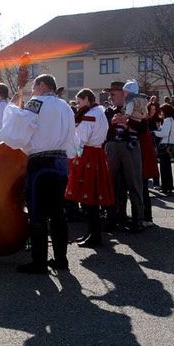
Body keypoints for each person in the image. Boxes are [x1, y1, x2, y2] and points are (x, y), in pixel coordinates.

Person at [0, 73, 77, 274]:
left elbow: (17, 131)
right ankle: (61, 259)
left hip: (41, 164)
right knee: (58, 213)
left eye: (34, 86)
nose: (32, 91)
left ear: (42, 85)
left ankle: (39, 262)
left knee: (38, 214)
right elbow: (72, 139)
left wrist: (12, 108)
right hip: (60, 162)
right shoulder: (66, 107)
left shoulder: (37, 103)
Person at [65, 88, 114, 247]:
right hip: (97, 153)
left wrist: (74, 148)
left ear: (87, 99)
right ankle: (92, 232)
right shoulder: (100, 112)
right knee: (93, 195)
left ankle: (94, 235)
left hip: (88, 155)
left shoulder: (89, 115)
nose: (78, 106)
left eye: (79, 102)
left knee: (89, 196)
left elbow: (82, 139)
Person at [103, 80, 147, 233]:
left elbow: (143, 129)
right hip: (112, 147)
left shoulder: (136, 107)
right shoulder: (109, 111)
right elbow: (104, 132)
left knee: (134, 183)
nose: (110, 96)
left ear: (124, 94)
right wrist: (112, 122)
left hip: (130, 147)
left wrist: (128, 120)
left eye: (113, 93)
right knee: (112, 184)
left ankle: (138, 220)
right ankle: (113, 218)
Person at [153, 103, 174, 193]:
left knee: (164, 167)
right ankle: (169, 185)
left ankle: (165, 186)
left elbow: (164, 134)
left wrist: (154, 132)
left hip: (165, 144)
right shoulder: (173, 120)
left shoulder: (167, 120)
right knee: (167, 166)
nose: (161, 113)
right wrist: (160, 128)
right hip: (171, 144)